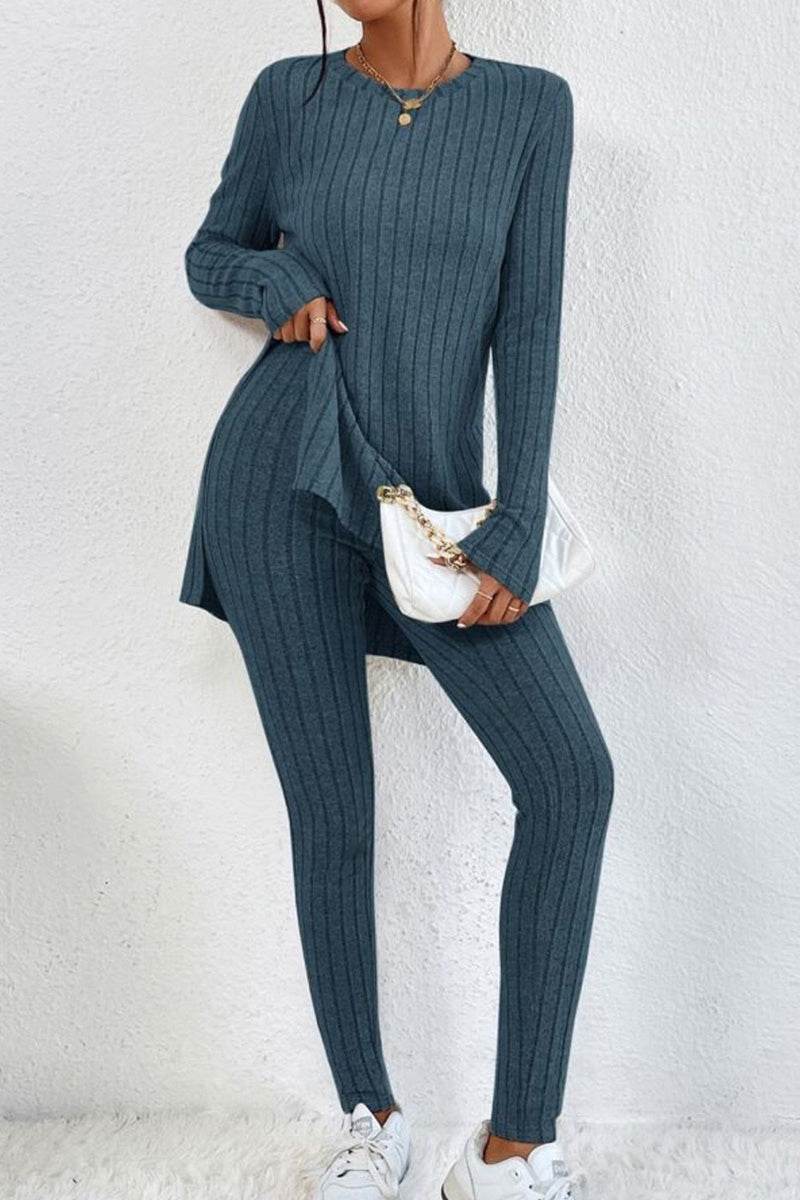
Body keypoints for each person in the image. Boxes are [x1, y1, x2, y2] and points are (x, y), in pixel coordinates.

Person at [179, 3, 614, 1197]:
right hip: (277, 480)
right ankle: (369, 1119)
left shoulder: (529, 107)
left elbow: (529, 321)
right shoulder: (289, 92)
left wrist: (514, 517)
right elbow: (210, 251)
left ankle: (516, 1146)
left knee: (571, 780)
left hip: (436, 510)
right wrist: (270, 276)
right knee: (332, 813)